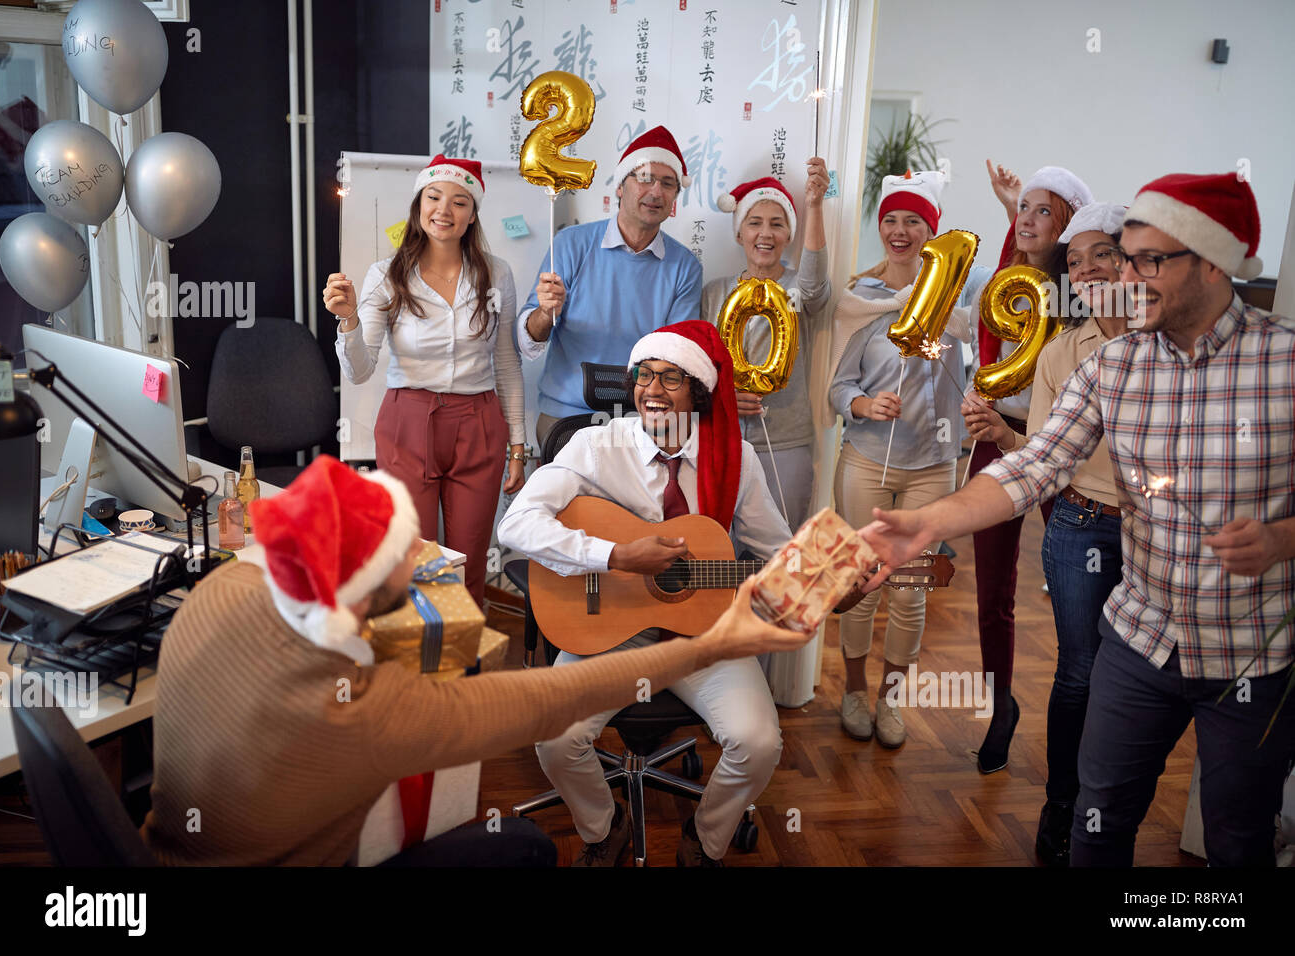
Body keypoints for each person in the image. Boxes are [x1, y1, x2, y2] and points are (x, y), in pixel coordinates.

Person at [861, 173, 1295, 868]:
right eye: (1126, 258)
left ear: (1212, 263)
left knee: (1238, 840)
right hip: (1139, 639)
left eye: (1147, 260)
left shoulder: (1285, 363)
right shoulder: (1111, 365)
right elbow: (1033, 466)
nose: (1125, 275)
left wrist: (1280, 538)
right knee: (1097, 829)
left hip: (1248, 654)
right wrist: (930, 523)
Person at [139, 455, 818, 866]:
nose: (424, 557)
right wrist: (717, 644)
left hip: (163, 849)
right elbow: (549, 701)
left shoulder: (217, 589)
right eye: (410, 553)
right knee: (525, 848)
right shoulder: (372, 714)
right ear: (362, 593)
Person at [498, 321, 877, 866]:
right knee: (555, 736)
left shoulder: (736, 458)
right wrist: (616, 557)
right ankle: (605, 828)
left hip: (704, 634)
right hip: (606, 630)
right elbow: (516, 524)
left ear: (697, 390)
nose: (652, 390)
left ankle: (705, 839)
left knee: (759, 741)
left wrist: (837, 585)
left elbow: (776, 553)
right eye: (644, 376)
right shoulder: (595, 446)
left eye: (670, 378)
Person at [323, 155, 524, 606]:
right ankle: (416, 667)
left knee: (469, 561)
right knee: (413, 560)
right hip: (408, 422)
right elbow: (359, 370)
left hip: (479, 422)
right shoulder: (386, 274)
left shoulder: (497, 274)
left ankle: (464, 670)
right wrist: (349, 319)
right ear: (418, 205)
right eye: (433, 198)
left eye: (459, 202)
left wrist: (517, 446)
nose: (443, 211)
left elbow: (508, 362)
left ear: (473, 215)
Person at [827, 169, 971, 747]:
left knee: (909, 590)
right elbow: (837, 387)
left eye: (913, 220)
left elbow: (973, 378)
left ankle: (891, 704)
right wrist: (863, 404)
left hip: (933, 466)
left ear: (930, 231)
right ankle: (853, 692)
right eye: (890, 218)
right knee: (861, 582)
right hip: (865, 461)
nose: (900, 229)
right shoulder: (861, 298)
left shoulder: (956, 302)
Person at [960, 165, 1092, 773]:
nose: (1026, 219)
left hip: (1058, 450)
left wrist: (1015, 435)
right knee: (993, 588)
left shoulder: (1080, 303)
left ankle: (1083, 708)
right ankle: (1000, 703)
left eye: (1043, 211)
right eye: (1023, 210)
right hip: (997, 441)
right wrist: (979, 405)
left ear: (1066, 225)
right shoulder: (1004, 289)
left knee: (1076, 590)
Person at [1027, 201, 1130, 866]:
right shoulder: (1063, 352)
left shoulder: (1174, 344)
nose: (1088, 268)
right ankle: (1062, 808)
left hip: (1164, 536)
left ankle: (1111, 814)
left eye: (1101, 253)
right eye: (1075, 260)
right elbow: (1043, 452)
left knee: (1140, 680)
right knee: (1081, 673)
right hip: (1082, 525)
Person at [517, 126, 703, 444]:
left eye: (668, 184)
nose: (656, 191)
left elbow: (676, 353)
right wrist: (545, 313)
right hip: (566, 416)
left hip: (642, 422)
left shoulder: (684, 266)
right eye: (644, 178)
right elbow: (528, 340)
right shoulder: (570, 244)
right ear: (619, 187)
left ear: (674, 197)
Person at [700, 160, 831, 531]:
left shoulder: (797, 291)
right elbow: (694, 366)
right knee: (719, 546)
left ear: (790, 234)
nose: (765, 233)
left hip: (786, 440)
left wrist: (816, 205)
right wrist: (720, 395)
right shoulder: (715, 292)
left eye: (778, 223)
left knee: (781, 553)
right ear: (739, 233)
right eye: (754, 222)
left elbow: (816, 287)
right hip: (720, 437)